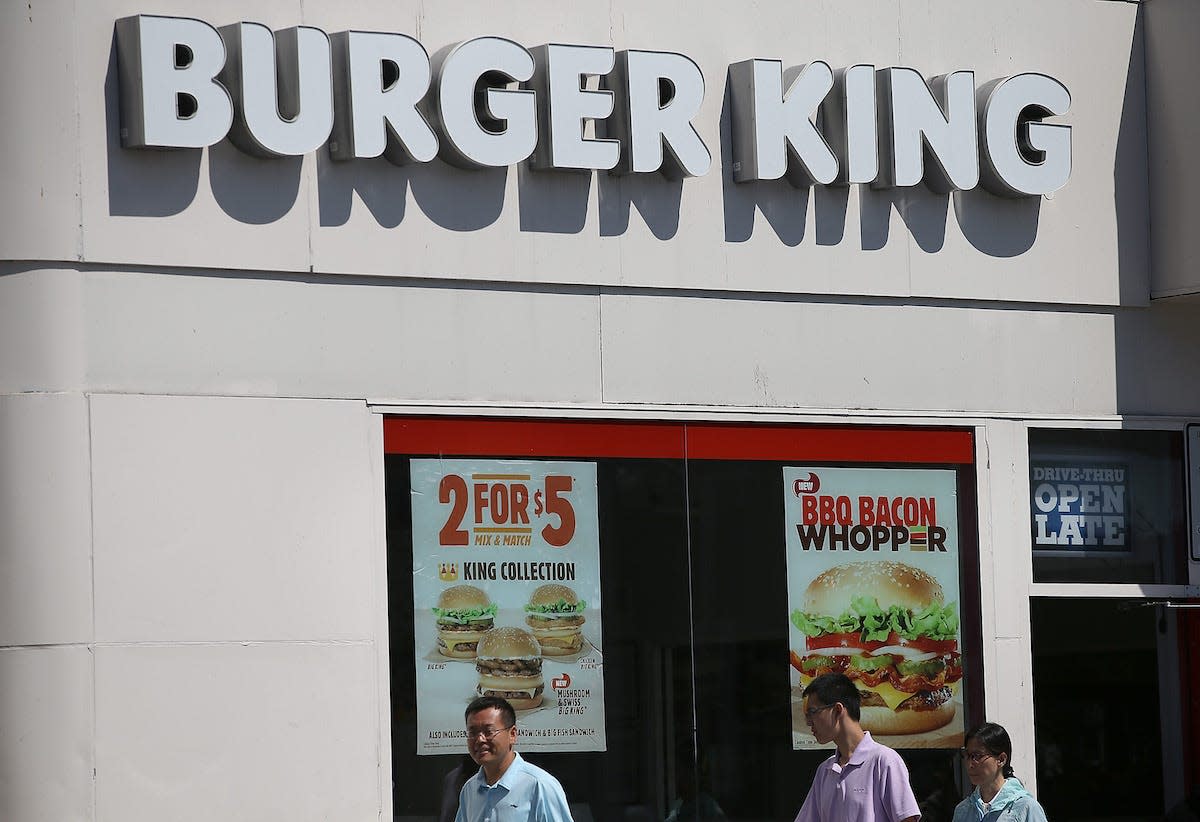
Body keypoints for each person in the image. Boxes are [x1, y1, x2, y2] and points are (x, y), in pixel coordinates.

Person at [793, 672, 921, 822]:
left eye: (812, 713)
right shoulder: (825, 771)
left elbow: (907, 818)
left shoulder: (884, 760)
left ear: (838, 710)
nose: (809, 722)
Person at [455, 696, 575, 822]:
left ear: (512, 734)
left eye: (488, 731)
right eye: (472, 733)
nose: (480, 739)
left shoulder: (540, 785)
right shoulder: (470, 789)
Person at [952, 722, 1048, 822]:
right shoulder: (962, 811)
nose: (970, 765)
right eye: (967, 755)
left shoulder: (1025, 807)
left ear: (1001, 759)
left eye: (977, 756)